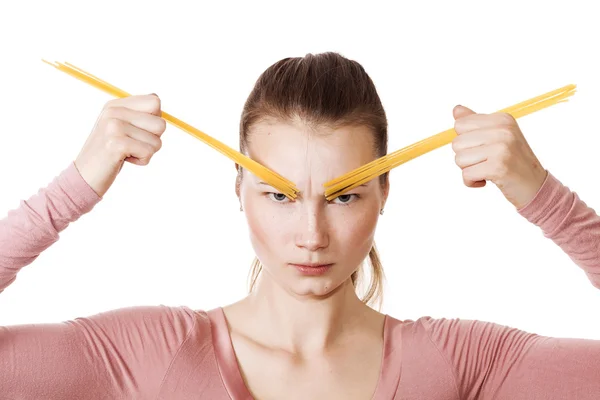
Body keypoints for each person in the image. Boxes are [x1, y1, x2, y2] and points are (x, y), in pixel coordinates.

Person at [1, 52, 599, 400]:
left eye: (343, 197)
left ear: (384, 194)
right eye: (279, 195)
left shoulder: (457, 362)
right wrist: (77, 184)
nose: (311, 234)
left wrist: (539, 194)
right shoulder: (151, 355)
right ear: (239, 191)